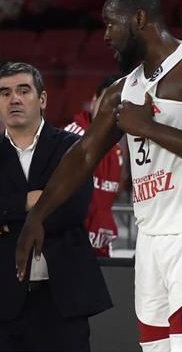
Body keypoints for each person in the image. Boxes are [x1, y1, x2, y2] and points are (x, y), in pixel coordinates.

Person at [17, 0, 182, 351]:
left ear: (139, 19)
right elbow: (84, 155)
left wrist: (148, 128)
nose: (106, 35)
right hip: (152, 239)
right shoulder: (119, 92)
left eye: (112, 24)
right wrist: (38, 215)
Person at [0, 62, 111, 352]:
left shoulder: (72, 146)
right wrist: (29, 200)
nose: (13, 99)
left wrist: (3, 219)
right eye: (5, 93)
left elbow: (74, 207)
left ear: (42, 99)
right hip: (2, 303)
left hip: (62, 299)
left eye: (23, 90)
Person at [63, 76, 123, 257]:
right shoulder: (70, 139)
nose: (108, 109)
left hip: (100, 249)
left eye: (116, 106)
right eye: (105, 101)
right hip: (69, 247)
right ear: (94, 101)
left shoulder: (117, 152)